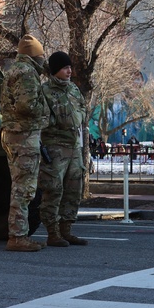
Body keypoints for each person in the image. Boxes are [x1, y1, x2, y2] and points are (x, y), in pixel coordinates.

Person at [1, 34, 51, 252]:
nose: (43, 59)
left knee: (18, 186)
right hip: (24, 135)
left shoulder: (11, 70)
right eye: (41, 55)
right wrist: (46, 112)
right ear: (34, 55)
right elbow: (27, 106)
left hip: (12, 134)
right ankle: (18, 236)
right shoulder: (28, 73)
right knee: (24, 189)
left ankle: (17, 234)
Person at [38, 51, 89, 247]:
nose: (69, 71)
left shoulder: (73, 89)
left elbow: (83, 108)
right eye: (65, 68)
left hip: (74, 147)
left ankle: (67, 230)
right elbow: (42, 116)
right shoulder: (45, 91)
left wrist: (78, 118)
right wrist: (57, 121)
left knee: (73, 190)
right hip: (55, 146)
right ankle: (53, 232)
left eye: (70, 67)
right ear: (55, 70)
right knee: (53, 189)